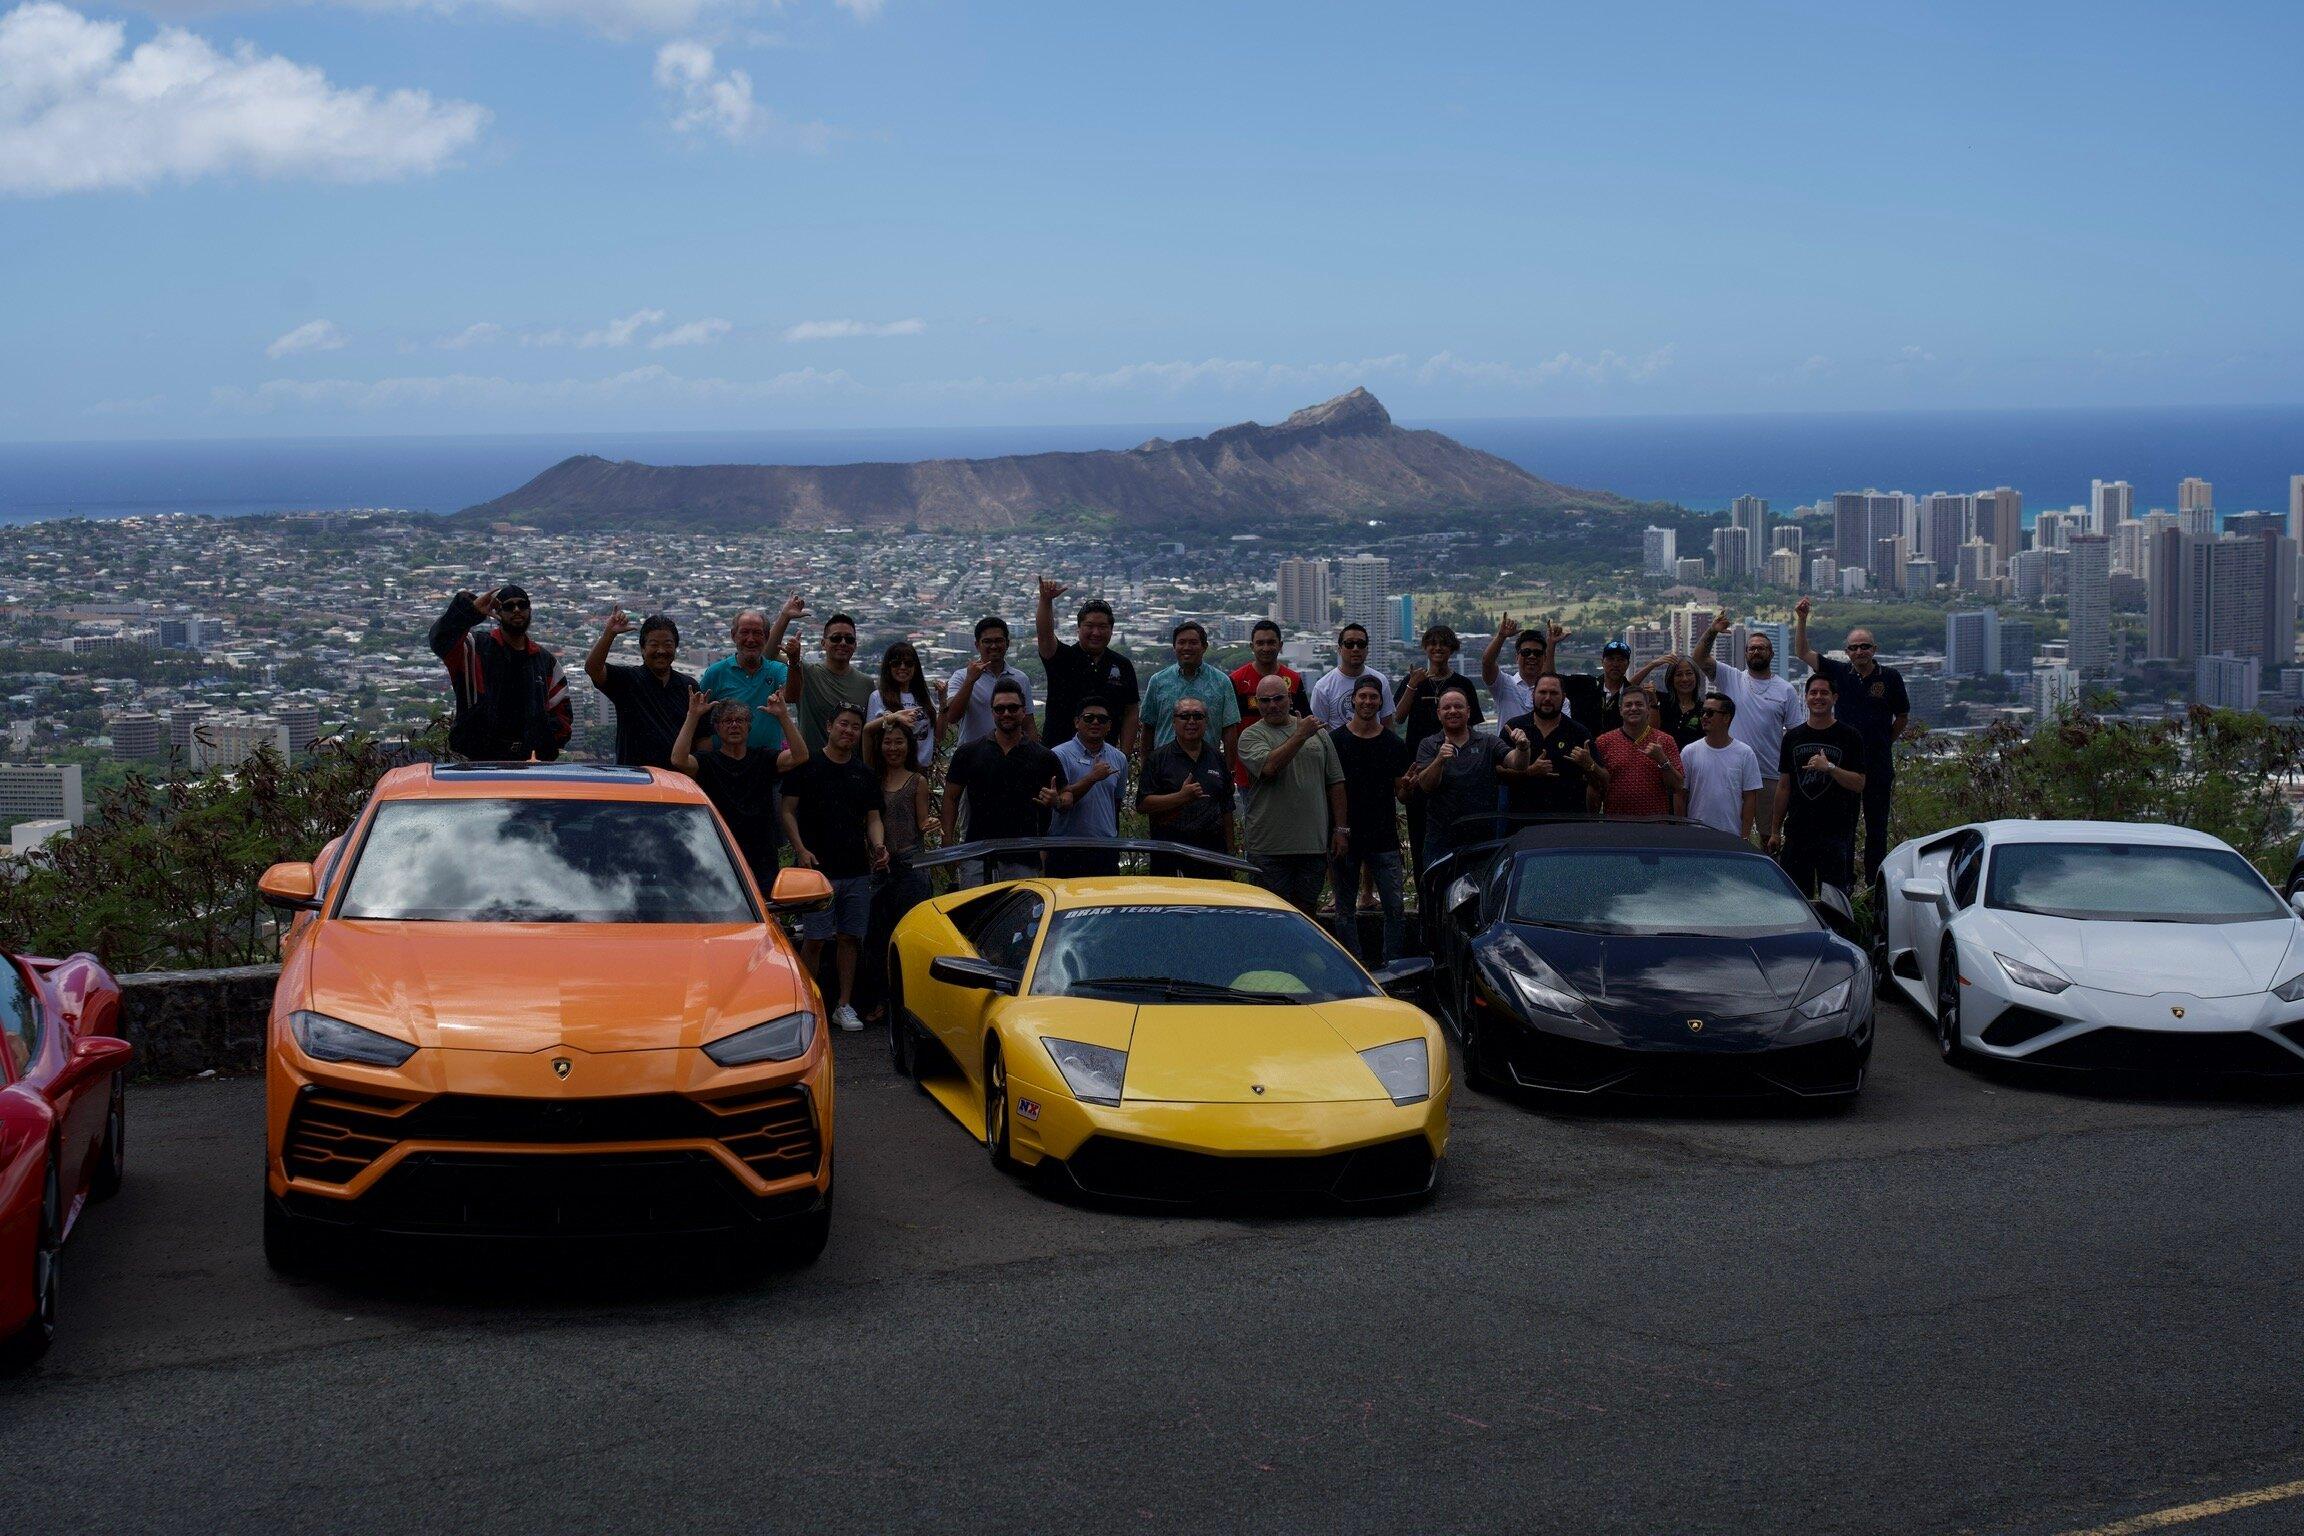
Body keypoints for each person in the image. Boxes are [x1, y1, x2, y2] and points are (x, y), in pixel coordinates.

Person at [779, 703, 887, 1031]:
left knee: (849, 938)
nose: (849, 731)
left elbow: (873, 818)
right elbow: (787, 810)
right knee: (814, 939)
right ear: (829, 725)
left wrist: (879, 845)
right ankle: (808, 1004)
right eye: (843, 724)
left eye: (855, 726)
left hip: (855, 868)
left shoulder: (864, 773)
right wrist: (800, 849)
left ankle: (843, 1004)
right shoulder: (807, 765)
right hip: (817, 870)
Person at [1793, 598, 1910, 880]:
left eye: (1865, 646)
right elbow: (1802, 652)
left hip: (1878, 766)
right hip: (1843, 766)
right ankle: (1843, 882)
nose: (1860, 651)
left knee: (1876, 829)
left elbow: (1902, 717)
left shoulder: (1891, 677)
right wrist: (1802, 619)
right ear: (1847, 651)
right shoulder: (1838, 673)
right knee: (1842, 827)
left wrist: (1883, 741)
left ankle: (1874, 885)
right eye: (1854, 647)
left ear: (1874, 649)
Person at [1235, 675, 1348, 914]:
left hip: (1312, 845)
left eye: (1278, 698)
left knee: (1307, 914)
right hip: (1269, 847)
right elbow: (1269, 768)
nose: (1272, 705)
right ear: (1256, 703)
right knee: (1270, 915)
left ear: (1290, 699)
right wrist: (1299, 735)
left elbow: (1336, 782)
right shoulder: (1251, 736)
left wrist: (1340, 829)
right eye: (1264, 700)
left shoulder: (1318, 733)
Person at [671, 691, 807, 889]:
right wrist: (693, 716)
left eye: (740, 720)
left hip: (761, 853)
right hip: (719, 850)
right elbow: (678, 759)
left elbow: (800, 755)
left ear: (748, 726)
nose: (734, 725)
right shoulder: (708, 761)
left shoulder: (763, 758)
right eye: (727, 721)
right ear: (717, 728)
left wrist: (783, 716)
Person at [942, 678, 1065, 886]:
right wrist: (948, 842)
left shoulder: (1043, 757)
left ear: (1023, 711)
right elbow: (950, 797)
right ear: (992, 712)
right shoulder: (969, 753)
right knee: (977, 916)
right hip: (977, 855)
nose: (1006, 713)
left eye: (1012, 707)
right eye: (1000, 709)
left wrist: (1057, 801)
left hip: (1024, 858)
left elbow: (1065, 796)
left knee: (1021, 918)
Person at [429, 584, 572, 761]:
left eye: (522, 605)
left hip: (531, 763)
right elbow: (440, 640)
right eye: (509, 606)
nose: (517, 610)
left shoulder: (545, 661)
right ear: (498, 611)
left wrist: (544, 744)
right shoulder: (474, 648)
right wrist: (471, 611)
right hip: (477, 762)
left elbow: (562, 713)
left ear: (530, 609)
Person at [1694, 609, 1805, 833]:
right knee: (1730, 835)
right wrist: (1713, 631)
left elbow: (1796, 734)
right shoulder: (1731, 677)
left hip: (1770, 773)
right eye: (1752, 648)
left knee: (1769, 837)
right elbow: (1699, 658)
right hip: (1732, 771)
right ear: (1745, 653)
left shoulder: (1785, 690)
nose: (1756, 651)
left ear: (1772, 654)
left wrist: (1792, 774)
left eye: (1761, 648)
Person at [1328, 674, 1410, 965]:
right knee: (1344, 911)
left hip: (1384, 836)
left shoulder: (1393, 744)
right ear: (1352, 700)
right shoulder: (1335, 741)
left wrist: (1412, 783)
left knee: (1395, 909)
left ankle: (1395, 966)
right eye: (1362, 696)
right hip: (1345, 835)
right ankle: (1353, 966)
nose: (1367, 702)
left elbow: (1401, 793)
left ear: (1380, 701)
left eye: (1373, 697)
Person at [1765, 673, 1868, 898]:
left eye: (1824, 693)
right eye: (1813, 692)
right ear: (1806, 697)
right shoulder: (1793, 738)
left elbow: (1859, 783)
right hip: (1798, 831)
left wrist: (1829, 767)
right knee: (1797, 900)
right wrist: (1775, 831)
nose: (1818, 697)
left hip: (1835, 832)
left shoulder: (1850, 736)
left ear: (1835, 698)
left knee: (1834, 901)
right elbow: (1784, 786)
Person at [860, 713, 934, 1025]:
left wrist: (931, 825)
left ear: (909, 746)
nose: (893, 748)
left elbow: (920, 823)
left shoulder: (918, 781)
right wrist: (890, 720)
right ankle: (880, 999)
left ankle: (911, 1003)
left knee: (911, 936)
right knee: (876, 937)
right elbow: (866, 732)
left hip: (911, 867)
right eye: (888, 742)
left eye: (899, 742)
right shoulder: (871, 779)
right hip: (880, 868)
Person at [1394, 625, 1484, 874]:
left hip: (1457, 768)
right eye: (1432, 643)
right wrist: (1412, 685)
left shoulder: (1462, 683)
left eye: (1443, 643)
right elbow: (1398, 718)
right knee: (1420, 832)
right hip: (1419, 766)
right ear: (1425, 647)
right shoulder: (1414, 680)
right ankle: (1425, 899)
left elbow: (1474, 728)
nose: (1437, 648)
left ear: (1452, 649)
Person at [1405, 680, 1506, 874]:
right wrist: (1439, 760)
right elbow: (1426, 786)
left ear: (1468, 711)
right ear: (1439, 714)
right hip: (1441, 837)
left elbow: (1516, 762)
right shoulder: (1428, 744)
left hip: (1482, 837)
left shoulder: (1488, 742)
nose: (1453, 711)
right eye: (1447, 707)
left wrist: (1523, 748)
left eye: (1458, 706)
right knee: (1437, 895)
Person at [583, 606, 698, 769]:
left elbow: (702, 739)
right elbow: (593, 668)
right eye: (653, 644)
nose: (661, 651)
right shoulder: (628, 680)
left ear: (675, 648)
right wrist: (609, 634)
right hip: (635, 779)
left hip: (678, 782)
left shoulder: (689, 687)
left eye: (668, 644)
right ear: (642, 650)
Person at [1035, 578, 1140, 754]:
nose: (1096, 633)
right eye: (1089, 626)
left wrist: (1124, 757)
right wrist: (1046, 600)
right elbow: (1045, 635)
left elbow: (1131, 712)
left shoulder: (1122, 665)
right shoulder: (1061, 657)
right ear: (1078, 628)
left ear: (1111, 630)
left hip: (1104, 759)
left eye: (1102, 627)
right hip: (1058, 756)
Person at [1137, 695, 1236, 877]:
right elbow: (1143, 804)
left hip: (1213, 856)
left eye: (1198, 716)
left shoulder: (1216, 757)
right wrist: (1181, 797)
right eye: (1184, 716)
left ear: (1206, 722)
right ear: (1174, 722)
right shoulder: (1158, 759)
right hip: (1171, 856)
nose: (1191, 721)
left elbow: (1226, 807)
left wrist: (1230, 852)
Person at [1047, 694, 1130, 878]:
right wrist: (1092, 778)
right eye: (1088, 718)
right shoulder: (1059, 755)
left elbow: (1116, 802)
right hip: (1066, 847)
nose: (1095, 722)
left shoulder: (1119, 758)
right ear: (1077, 722)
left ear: (1109, 725)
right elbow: (1060, 802)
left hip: (1104, 849)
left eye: (1102, 719)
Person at [1137, 620, 1240, 763]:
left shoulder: (1221, 682)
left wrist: (1229, 771)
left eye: (1193, 643)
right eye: (1181, 642)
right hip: (1164, 767)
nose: (1187, 647)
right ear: (1174, 647)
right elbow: (1148, 728)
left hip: (1207, 766)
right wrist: (1145, 767)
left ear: (1204, 647)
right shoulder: (1158, 681)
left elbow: (1229, 730)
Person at [699, 607, 791, 757]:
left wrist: (794, 662)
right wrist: (707, 760)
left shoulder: (777, 670)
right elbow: (699, 717)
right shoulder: (716, 673)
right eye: (744, 632)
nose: (751, 639)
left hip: (767, 763)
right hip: (724, 764)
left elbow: (791, 695)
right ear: (733, 636)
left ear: (766, 637)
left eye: (757, 633)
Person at [1228, 619, 1309, 789]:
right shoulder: (1237, 680)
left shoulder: (1293, 680)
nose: (1266, 648)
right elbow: (1229, 729)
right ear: (1252, 646)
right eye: (1260, 643)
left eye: (1271, 642)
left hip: (1289, 766)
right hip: (1248, 771)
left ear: (1280, 645)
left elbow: (1305, 722)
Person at [784, 608, 878, 754]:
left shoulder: (867, 684)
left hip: (852, 768)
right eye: (835, 638)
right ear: (823, 643)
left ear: (855, 645)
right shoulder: (806, 672)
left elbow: (870, 732)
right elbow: (768, 653)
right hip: (812, 767)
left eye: (849, 639)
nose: (843, 643)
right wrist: (785, 616)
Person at [1498, 673, 1594, 816]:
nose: (1547, 698)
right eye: (1542, 692)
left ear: (1564, 697)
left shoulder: (1579, 732)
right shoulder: (1513, 728)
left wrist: (1590, 765)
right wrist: (1529, 772)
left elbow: (1603, 780)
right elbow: (1497, 772)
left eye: (1554, 693)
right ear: (1532, 695)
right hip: (1523, 822)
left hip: (1569, 823)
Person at [1585, 687, 1684, 817]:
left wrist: (1662, 760)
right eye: (1628, 705)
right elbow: (1595, 788)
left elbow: (1678, 786)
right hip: (1616, 825)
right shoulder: (1604, 742)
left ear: (1648, 709)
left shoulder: (1665, 741)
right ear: (1620, 710)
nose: (1633, 708)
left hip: (1655, 826)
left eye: (1639, 704)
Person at [1679, 692, 1763, 839]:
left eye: (1710, 713)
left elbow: (1750, 798)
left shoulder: (1745, 753)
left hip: (1731, 837)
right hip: (1695, 836)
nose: (1704, 716)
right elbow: (1681, 794)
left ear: (1726, 717)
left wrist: (1744, 837)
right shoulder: (1689, 752)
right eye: (1703, 712)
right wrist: (1682, 831)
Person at [942, 616, 1036, 748]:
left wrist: (1034, 756)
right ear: (977, 645)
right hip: (973, 756)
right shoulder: (961, 676)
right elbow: (952, 717)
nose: (993, 646)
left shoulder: (1021, 678)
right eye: (987, 641)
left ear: (1007, 644)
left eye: (999, 641)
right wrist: (970, 681)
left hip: (1012, 755)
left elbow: (1028, 723)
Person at [865, 640, 940, 771]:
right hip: (891, 771)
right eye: (896, 663)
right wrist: (893, 718)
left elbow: (938, 735)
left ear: (915, 667)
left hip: (922, 770)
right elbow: (869, 734)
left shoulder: (924, 697)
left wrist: (943, 702)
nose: (903, 667)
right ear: (888, 667)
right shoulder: (878, 696)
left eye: (909, 663)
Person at [1309, 623, 1394, 728]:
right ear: (1339, 649)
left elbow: (1387, 723)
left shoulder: (1380, 680)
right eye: (1349, 644)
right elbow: (1319, 730)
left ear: (1367, 650)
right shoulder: (1323, 686)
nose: (1355, 649)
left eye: (1361, 644)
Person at [1480, 614, 1559, 726]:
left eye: (1537, 653)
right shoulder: (1504, 684)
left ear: (1544, 658)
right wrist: (1501, 636)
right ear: (1517, 657)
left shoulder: (1549, 692)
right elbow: (1487, 663)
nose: (1531, 656)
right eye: (1526, 652)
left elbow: (1551, 678)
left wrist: (1551, 645)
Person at [1559, 635, 1633, 737]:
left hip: (1619, 751)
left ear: (1628, 664)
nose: (1615, 664)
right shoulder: (1584, 685)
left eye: (1620, 660)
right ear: (1602, 662)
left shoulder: (1632, 695)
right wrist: (1551, 645)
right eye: (1611, 659)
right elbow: (1550, 680)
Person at [1629, 654, 1706, 746]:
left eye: (1689, 673)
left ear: (1696, 677)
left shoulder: (1704, 709)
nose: (1685, 679)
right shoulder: (1659, 699)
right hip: (1659, 758)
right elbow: (1628, 689)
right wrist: (1653, 664)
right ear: (1671, 679)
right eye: (1679, 675)